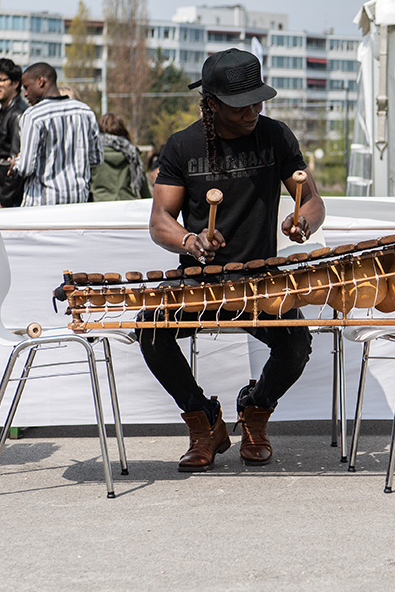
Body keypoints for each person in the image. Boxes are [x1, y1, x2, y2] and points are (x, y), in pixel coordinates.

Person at [138, 48, 325, 473]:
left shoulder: (276, 137)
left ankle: (255, 410)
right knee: (150, 330)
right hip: (201, 283)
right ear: (212, 103)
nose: (254, 111)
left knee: (296, 342)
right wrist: (189, 240)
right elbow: (159, 221)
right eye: (242, 104)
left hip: (260, 282)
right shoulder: (183, 147)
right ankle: (204, 421)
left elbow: (312, 199)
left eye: (259, 100)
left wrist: (304, 222)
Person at [11, 62, 102, 206]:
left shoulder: (33, 115)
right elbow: (96, 158)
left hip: (42, 203)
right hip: (77, 201)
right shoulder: (85, 112)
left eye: (27, 87)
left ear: (41, 81)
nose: (26, 94)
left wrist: (15, 165)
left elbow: (25, 168)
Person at [89, 112, 150, 202]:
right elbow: (144, 191)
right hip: (128, 207)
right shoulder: (132, 155)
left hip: (100, 208)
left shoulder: (93, 155)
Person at [0, 58, 27, 208]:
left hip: (8, 202)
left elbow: (16, 164)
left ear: (15, 83)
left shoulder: (17, 114)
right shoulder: (4, 112)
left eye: (1, 80)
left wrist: (4, 201)